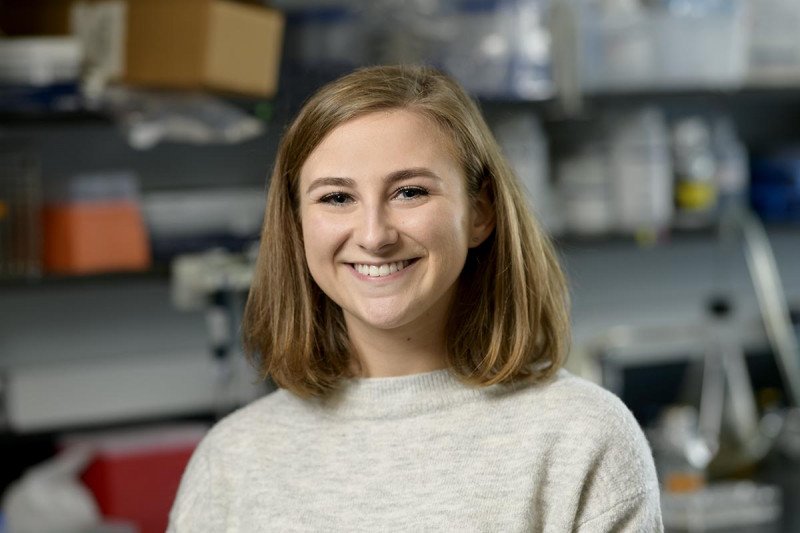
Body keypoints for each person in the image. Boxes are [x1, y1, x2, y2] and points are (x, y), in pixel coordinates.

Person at [168, 65, 663, 532]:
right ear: (297, 226)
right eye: (337, 198)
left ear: (480, 214)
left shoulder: (583, 439)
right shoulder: (231, 460)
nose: (374, 236)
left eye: (409, 192)